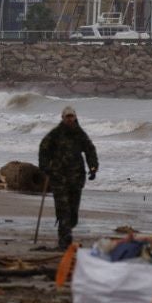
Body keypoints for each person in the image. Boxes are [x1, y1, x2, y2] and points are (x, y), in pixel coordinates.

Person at [38, 106, 98, 248]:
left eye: (72, 116)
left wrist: (93, 168)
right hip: (58, 178)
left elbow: (90, 150)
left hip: (76, 178)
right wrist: (45, 167)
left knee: (73, 211)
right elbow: (43, 149)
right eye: (67, 117)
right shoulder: (55, 134)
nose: (70, 119)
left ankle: (67, 231)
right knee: (63, 209)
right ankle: (65, 240)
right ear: (62, 118)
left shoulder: (80, 134)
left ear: (75, 117)